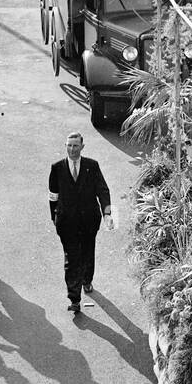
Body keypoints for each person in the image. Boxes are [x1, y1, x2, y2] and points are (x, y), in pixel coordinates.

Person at [47, 130, 113, 317]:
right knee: (71, 259)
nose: (72, 149)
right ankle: (74, 299)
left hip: (89, 221)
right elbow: (53, 195)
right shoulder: (57, 168)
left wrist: (107, 213)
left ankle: (87, 279)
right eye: (69, 145)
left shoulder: (92, 166)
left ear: (82, 147)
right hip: (67, 223)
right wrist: (54, 217)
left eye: (75, 146)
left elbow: (103, 190)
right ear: (65, 146)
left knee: (87, 252)